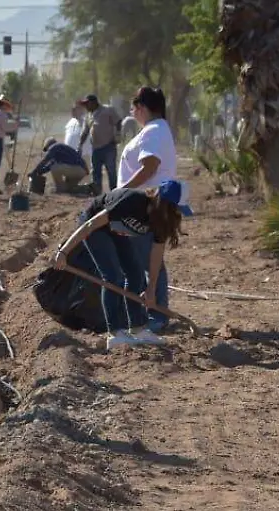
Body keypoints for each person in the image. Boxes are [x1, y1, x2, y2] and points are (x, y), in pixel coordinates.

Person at [52, 180, 193, 349]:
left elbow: (156, 256)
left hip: (114, 231)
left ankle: (138, 328)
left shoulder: (160, 222)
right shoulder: (132, 200)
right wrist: (63, 252)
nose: (178, 214)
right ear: (165, 205)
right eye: (176, 209)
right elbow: (90, 225)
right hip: (94, 227)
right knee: (112, 276)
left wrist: (151, 290)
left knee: (136, 274)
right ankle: (115, 333)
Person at [118, 86, 179, 332]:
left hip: (146, 203)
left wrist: (122, 192)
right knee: (143, 260)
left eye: (133, 108)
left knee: (147, 260)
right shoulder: (157, 130)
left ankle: (157, 315)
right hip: (148, 201)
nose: (133, 113)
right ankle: (148, 311)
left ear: (142, 107)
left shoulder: (153, 132)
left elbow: (150, 166)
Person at [77, 94, 121, 194]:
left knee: (111, 171)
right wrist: (80, 145)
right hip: (95, 149)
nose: (85, 107)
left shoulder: (108, 110)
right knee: (95, 172)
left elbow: (118, 121)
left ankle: (114, 193)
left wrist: (118, 134)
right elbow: (85, 132)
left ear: (93, 103)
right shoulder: (88, 116)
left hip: (108, 146)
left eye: (87, 104)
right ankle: (98, 194)